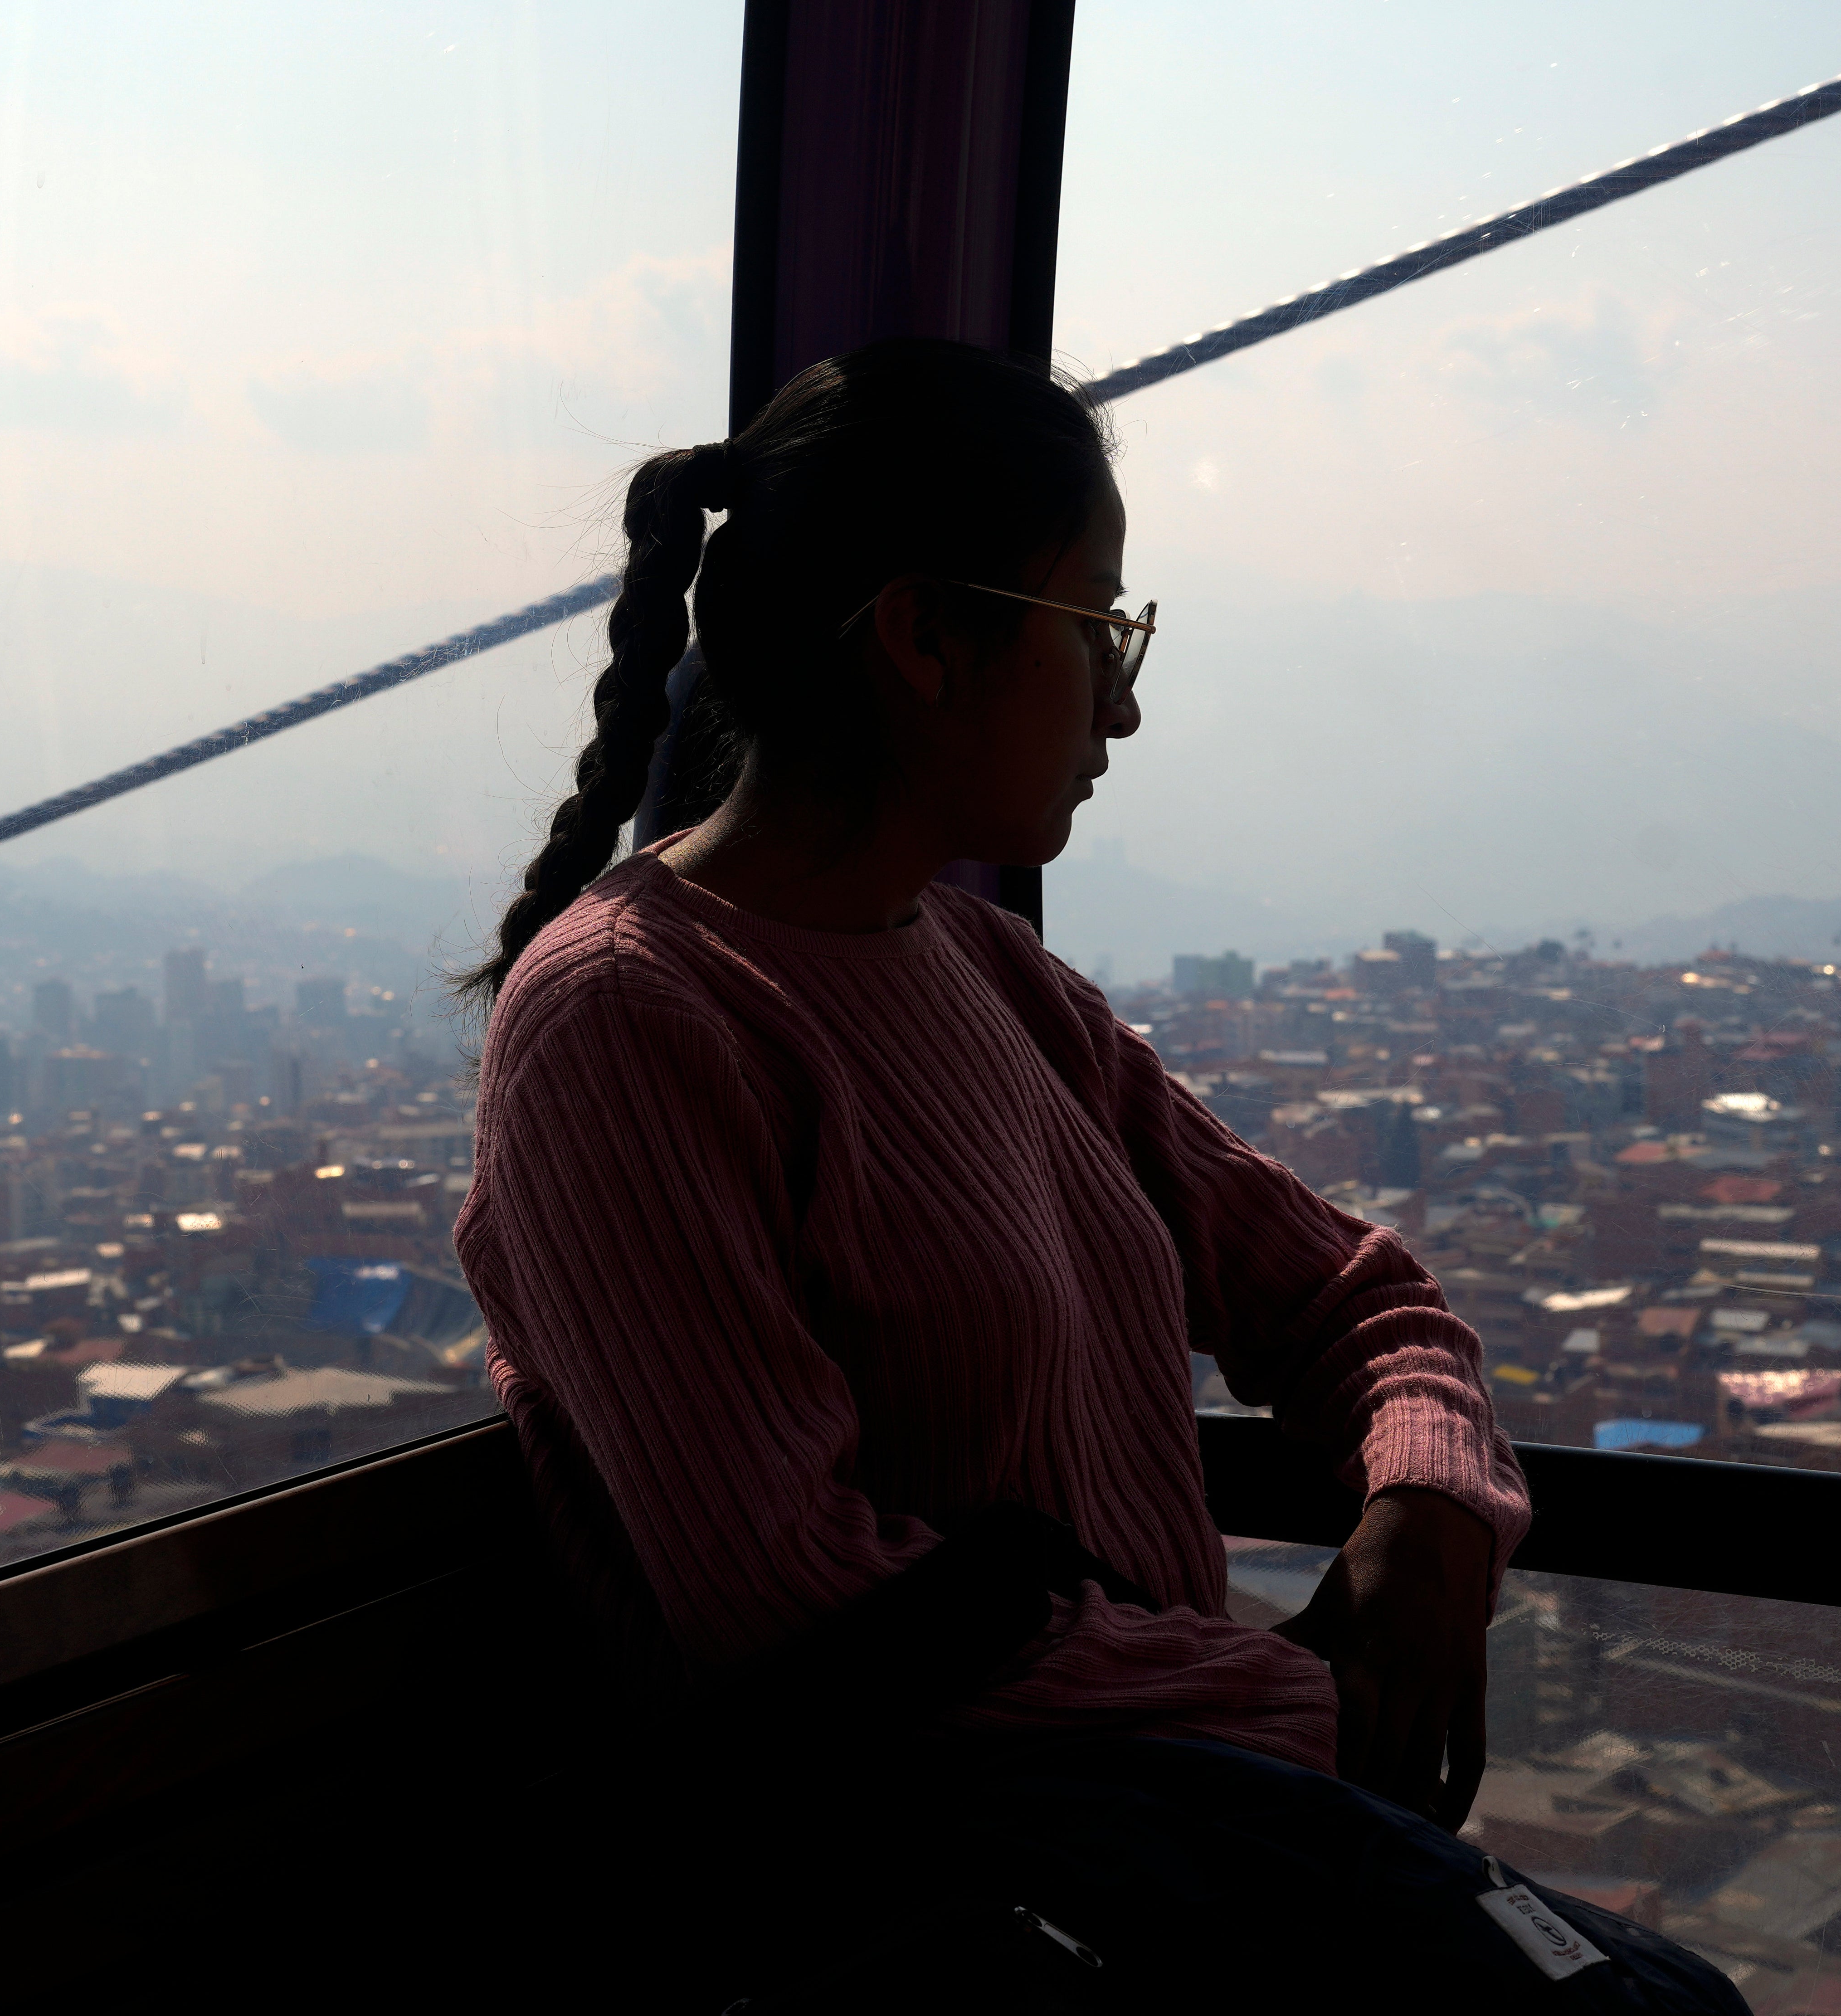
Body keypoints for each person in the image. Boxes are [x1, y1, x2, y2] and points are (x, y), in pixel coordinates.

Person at [452, 340, 1739, 2010]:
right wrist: (1305, 1707)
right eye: (1094, 628)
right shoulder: (628, 1021)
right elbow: (807, 1614)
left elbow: (1352, 1296)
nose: (1122, 701)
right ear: (926, 636)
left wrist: (1424, 1501)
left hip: (1145, 1834)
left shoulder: (993, 979)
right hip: (911, 1888)